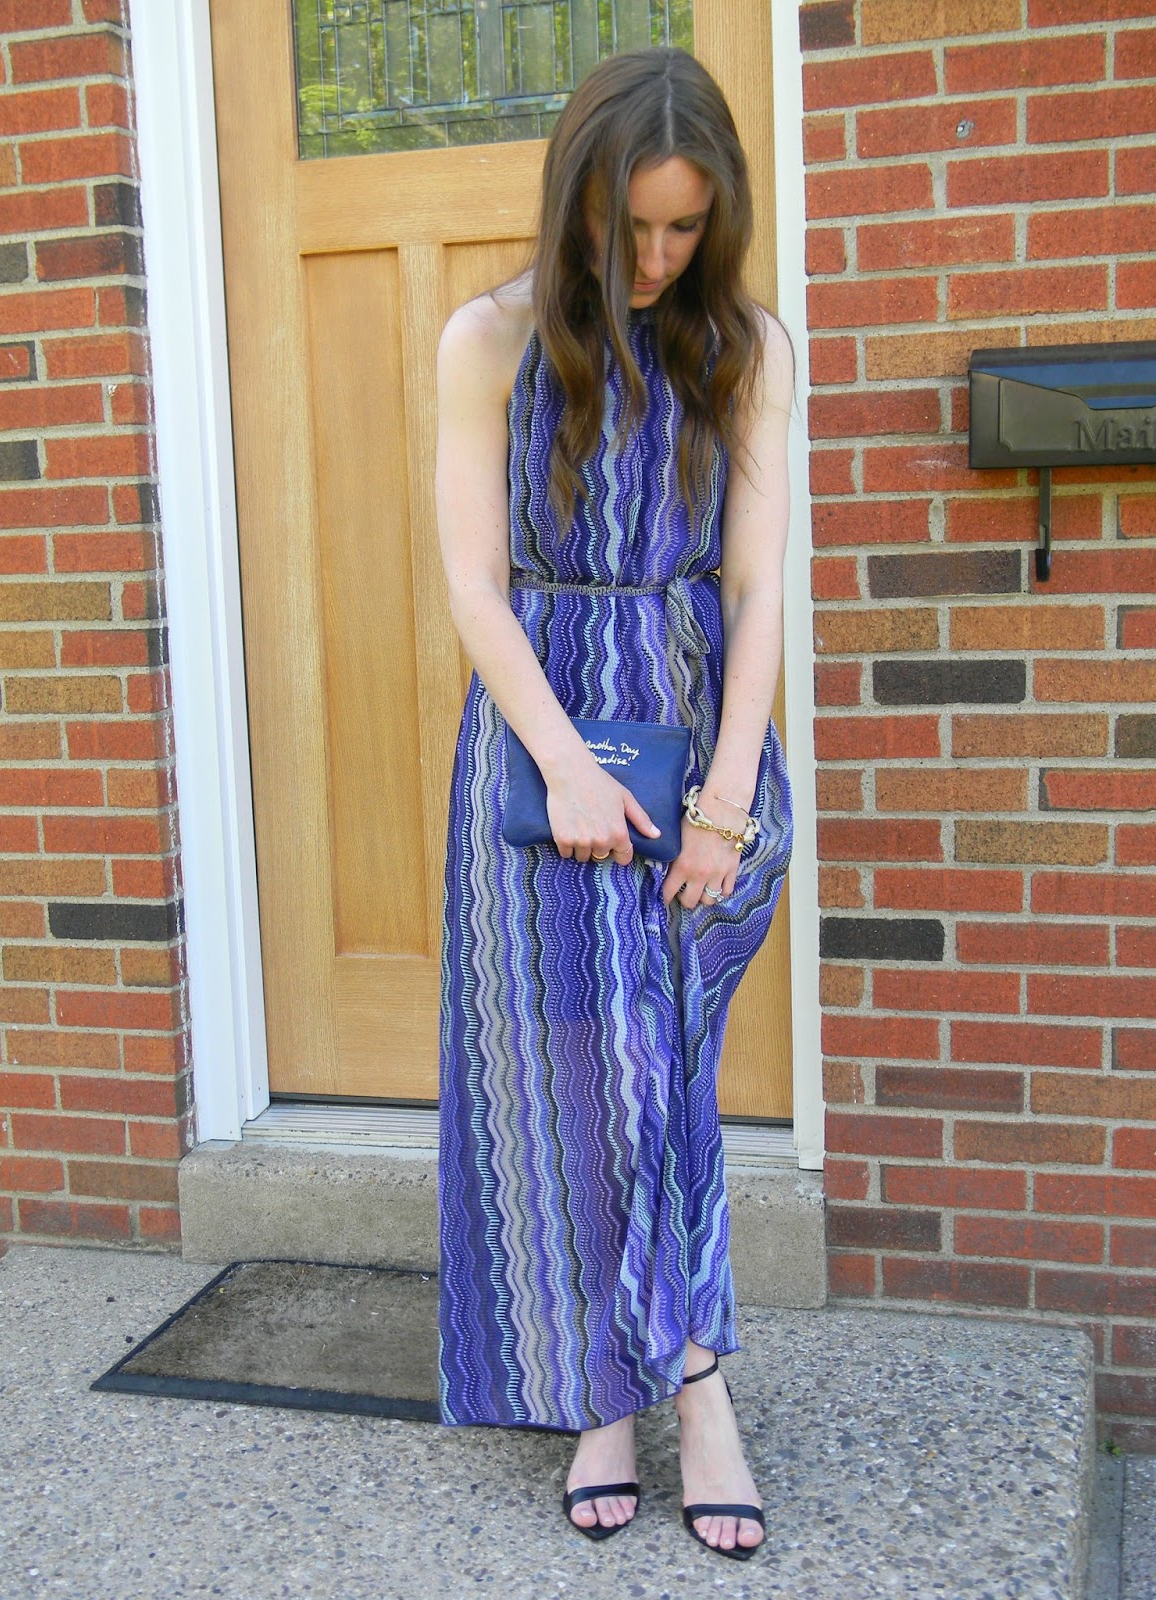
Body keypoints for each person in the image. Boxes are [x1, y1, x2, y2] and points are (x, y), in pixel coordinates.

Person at [434, 44, 794, 1563]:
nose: (655, 259)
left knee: (669, 1074)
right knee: (584, 1075)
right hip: (545, 757)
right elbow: (475, 582)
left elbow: (759, 584)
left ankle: (674, 1384)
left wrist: (726, 796)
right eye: (630, 226)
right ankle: (635, 1390)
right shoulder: (490, 340)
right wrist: (567, 763)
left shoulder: (747, 346)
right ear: (575, 203)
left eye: (684, 228)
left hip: (704, 752)